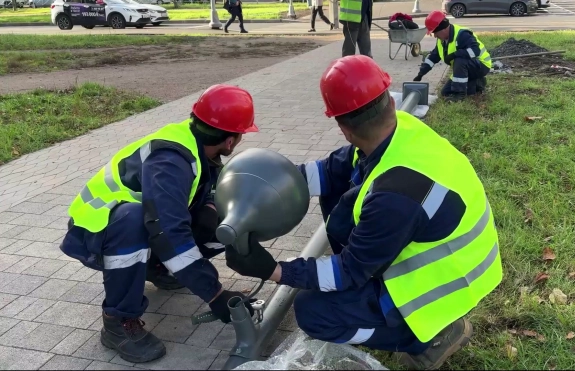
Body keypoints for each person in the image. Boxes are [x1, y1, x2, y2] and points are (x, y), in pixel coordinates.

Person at [224, 56, 503, 370]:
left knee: (312, 310)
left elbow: (347, 272)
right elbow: (327, 172)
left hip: (444, 286)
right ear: (388, 100)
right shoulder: (399, 130)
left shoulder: (396, 195)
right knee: (342, 202)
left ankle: (430, 337)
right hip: (450, 253)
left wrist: (274, 269)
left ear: (343, 128)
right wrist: (260, 189)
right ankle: (391, 310)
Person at [59, 85, 257, 363]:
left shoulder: (200, 148)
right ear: (230, 140)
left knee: (217, 216)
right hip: (96, 230)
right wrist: (216, 294)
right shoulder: (171, 160)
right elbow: (168, 231)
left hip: (132, 224)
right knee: (135, 223)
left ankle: (158, 267)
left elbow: (206, 192)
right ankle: (117, 321)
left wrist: (213, 211)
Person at [413, 11, 492, 102]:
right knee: (445, 92)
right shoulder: (441, 40)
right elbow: (433, 58)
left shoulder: (462, 35)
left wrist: (454, 55)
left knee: (459, 60)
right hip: (468, 67)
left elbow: (475, 51)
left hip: (481, 65)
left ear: (443, 29)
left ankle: (459, 95)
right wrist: (421, 74)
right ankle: (477, 82)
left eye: (435, 33)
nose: (435, 36)